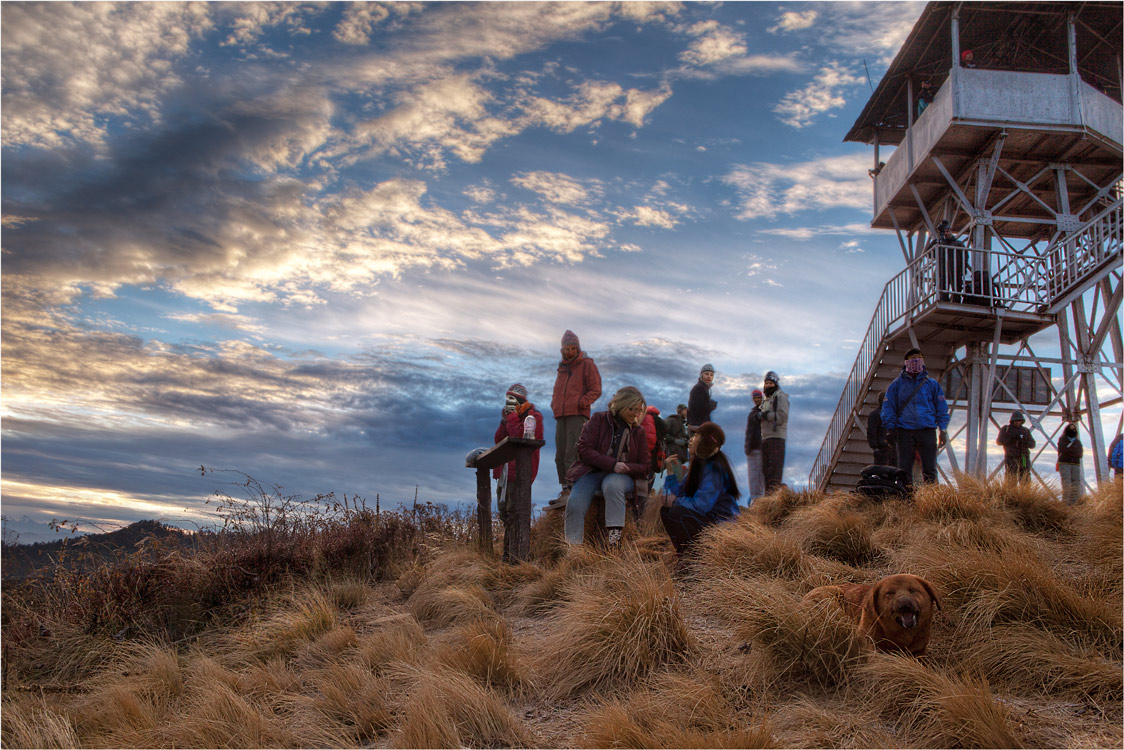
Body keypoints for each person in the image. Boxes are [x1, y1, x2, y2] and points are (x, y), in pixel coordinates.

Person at [563, 386, 649, 549]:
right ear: (622, 404)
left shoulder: (638, 431)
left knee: (613, 485)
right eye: (632, 409)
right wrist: (612, 464)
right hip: (592, 472)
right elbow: (584, 450)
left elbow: (645, 466)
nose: (636, 414)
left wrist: (626, 467)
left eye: (639, 410)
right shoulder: (599, 419)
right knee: (575, 503)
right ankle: (573, 550)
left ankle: (613, 543)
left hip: (622, 476)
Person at [660, 422, 740, 557]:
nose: (690, 440)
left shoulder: (715, 469)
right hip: (709, 520)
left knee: (677, 512)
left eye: (696, 436)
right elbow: (677, 493)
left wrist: (674, 501)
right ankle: (685, 555)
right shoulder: (698, 467)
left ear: (705, 441)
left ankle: (697, 558)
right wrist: (671, 474)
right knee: (666, 511)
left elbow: (701, 505)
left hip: (723, 527)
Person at [547, 330, 602, 510]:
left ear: (578, 348)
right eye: (567, 348)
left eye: (573, 348)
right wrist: (554, 405)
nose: (570, 351)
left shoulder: (587, 364)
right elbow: (557, 391)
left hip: (577, 415)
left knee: (572, 452)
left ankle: (573, 488)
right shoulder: (562, 368)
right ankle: (565, 488)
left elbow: (596, 389)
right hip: (561, 415)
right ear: (562, 349)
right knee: (560, 455)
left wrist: (581, 403)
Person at [881, 348, 949, 486]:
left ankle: (931, 497)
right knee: (904, 470)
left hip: (927, 430)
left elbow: (941, 408)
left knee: (930, 469)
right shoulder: (896, 385)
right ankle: (906, 496)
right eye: (912, 359)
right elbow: (888, 408)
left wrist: (943, 429)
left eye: (919, 358)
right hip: (905, 431)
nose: (916, 361)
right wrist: (891, 428)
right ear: (906, 362)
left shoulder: (932, 384)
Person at [492, 384, 544, 518]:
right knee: (503, 512)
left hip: (520, 471)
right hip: (505, 472)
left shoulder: (534, 417)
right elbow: (498, 440)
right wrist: (504, 421)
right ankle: (506, 532)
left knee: (515, 511)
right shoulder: (510, 419)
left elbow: (520, 437)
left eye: (512, 400)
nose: (509, 404)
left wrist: (511, 418)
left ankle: (517, 532)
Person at [759, 371, 789, 491]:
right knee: (765, 470)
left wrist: (766, 415)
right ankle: (768, 495)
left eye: (770, 383)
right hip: (765, 437)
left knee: (774, 470)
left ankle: (774, 495)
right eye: (766, 383)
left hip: (777, 438)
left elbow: (782, 416)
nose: (768, 385)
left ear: (775, 384)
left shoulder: (780, 397)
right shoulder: (766, 399)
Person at [932, 220, 968, 303]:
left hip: (956, 268)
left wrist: (963, 268)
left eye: (947, 231)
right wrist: (936, 241)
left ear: (951, 232)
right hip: (943, 268)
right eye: (944, 232)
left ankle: (956, 300)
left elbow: (965, 256)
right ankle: (944, 300)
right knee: (942, 285)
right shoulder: (940, 243)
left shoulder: (958, 243)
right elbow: (930, 254)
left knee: (957, 285)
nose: (946, 233)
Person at [996, 411, 1035, 482]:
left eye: (1019, 421)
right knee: (1011, 478)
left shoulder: (1025, 430)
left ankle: (1024, 490)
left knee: (1025, 478)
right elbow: (999, 442)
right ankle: (1010, 489)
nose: (1017, 422)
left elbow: (1033, 444)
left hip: (1024, 458)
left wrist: (1024, 442)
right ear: (1012, 421)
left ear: (1022, 421)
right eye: (1016, 421)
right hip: (1011, 458)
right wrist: (1012, 439)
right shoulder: (1006, 429)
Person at [743, 389, 766, 503]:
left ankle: (757, 500)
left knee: (757, 475)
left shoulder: (762, 413)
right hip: (752, 448)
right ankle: (755, 499)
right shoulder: (753, 413)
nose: (756, 400)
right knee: (753, 476)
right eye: (755, 398)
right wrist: (747, 447)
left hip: (758, 448)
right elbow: (749, 432)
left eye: (758, 398)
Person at [1055, 422, 1083, 504]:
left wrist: (1069, 452)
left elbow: (1080, 454)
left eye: (1074, 429)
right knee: (1066, 484)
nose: (1072, 430)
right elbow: (1063, 451)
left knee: (1076, 485)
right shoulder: (1062, 440)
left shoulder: (1077, 442)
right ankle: (1065, 505)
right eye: (1071, 429)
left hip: (1075, 465)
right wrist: (1073, 453)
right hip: (1065, 464)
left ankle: (1074, 505)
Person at [867, 392, 895, 466]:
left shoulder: (875, 414)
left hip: (885, 448)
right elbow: (872, 432)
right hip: (885, 448)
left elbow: (871, 432)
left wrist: (875, 447)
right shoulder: (891, 414)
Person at [687, 364, 717, 432]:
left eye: (711, 375)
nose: (709, 377)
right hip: (697, 427)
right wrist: (711, 406)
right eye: (706, 374)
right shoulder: (699, 388)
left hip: (699, 426)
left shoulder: (704, 388)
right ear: (701, 375)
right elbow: (700, 410)